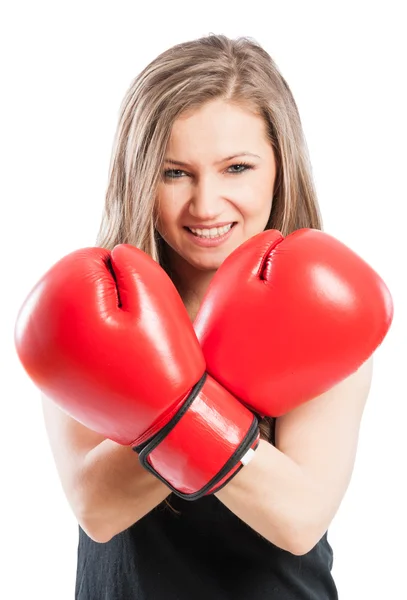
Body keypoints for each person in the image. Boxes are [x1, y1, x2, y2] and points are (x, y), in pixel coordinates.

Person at [15, 34, 392, 599]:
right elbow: (98, 507)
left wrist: (170, 398)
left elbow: (297, 520)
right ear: (140, 176)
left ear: (278, 168)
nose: (206, 205)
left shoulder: (321, 310)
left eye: (236, 167)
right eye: (174, 173)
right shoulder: (90, 310)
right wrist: (219, 385)